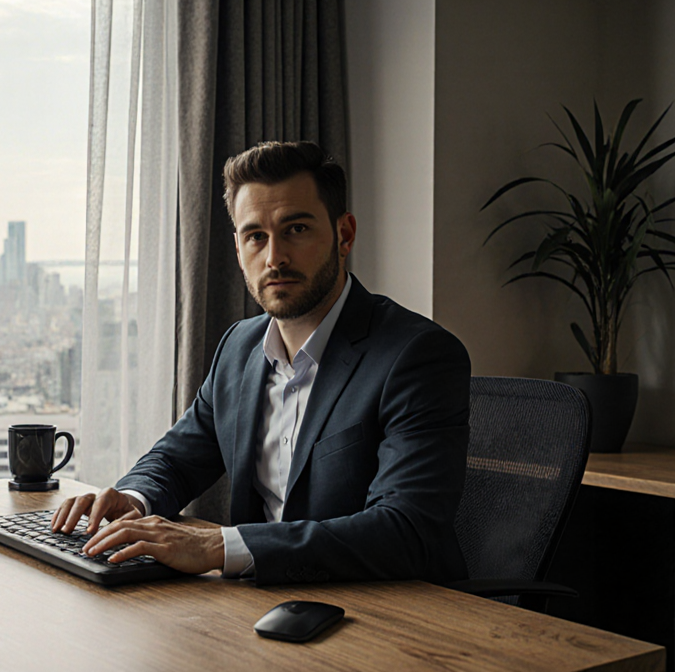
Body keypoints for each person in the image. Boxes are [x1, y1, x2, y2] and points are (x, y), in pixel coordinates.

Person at [51, 140, 471, 585]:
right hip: (262, 600)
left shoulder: (418, 356)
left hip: (391, 609)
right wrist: (134, 499)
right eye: (255, 236)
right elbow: (177, 459)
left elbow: (404, 531)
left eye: (296, 229)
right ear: (238, 249)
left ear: (344, 235)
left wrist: (218, 546)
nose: (274, 258)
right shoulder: (239, 346)